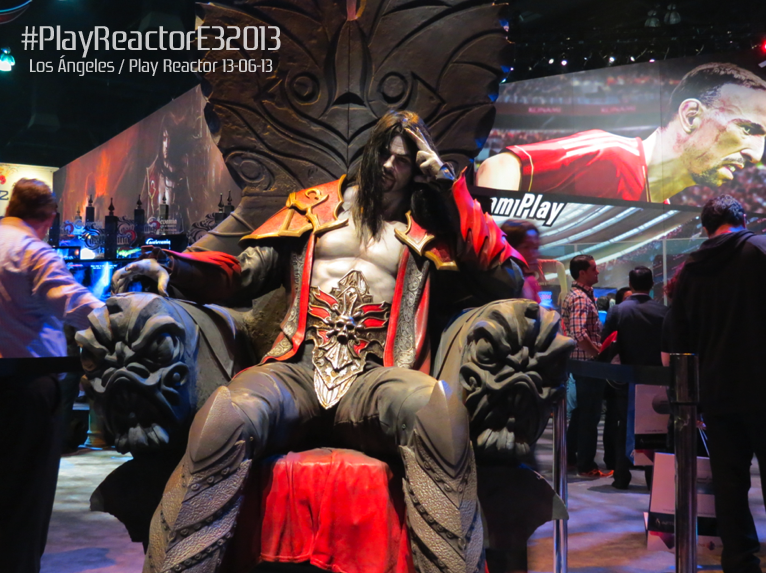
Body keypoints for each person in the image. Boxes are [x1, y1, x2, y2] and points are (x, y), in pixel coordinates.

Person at [113, 110, 525, 573]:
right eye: (383, 155)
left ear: (417, 169)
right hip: (297, 369)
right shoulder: (311, 208)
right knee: (224, 416)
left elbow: (506, 279)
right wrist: (173, 266)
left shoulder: (432, 226)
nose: (388, 167)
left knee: (439, 415)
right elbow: (242, 273)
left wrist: (449, 188)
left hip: (379, 377)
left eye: (403, 161)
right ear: (368, 152)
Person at [0, 179, 104, 573]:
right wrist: (128, 316)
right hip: (24, 385)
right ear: (49, 218)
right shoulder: (32, 250)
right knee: (24, 493)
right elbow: (74, 305)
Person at [476, 62, 766, 203]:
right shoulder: (609, 153)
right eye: (747, 129)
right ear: (691, 115)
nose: (756, 155)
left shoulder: (662, 202)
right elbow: (500, 166)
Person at [667, 194, 766, 573]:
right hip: (762, 390)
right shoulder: (759, 252)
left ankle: (739, 561)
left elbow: (680, 342)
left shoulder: (690, 271)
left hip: (716, 394)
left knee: (729, 484)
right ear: (743, 219)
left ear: (705, 228)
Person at [601, 266, 668, 489]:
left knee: (622, 425)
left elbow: (606, 343)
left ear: (630, 284)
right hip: (655, 378)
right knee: (654, 428)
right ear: (652, 284)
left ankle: (621, 476)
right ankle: (652, 479)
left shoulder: (617, 311)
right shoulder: (663, 311)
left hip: (624, 378)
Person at [561, 254, 611, 478]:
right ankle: (586, 466)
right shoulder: (581, 298)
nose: (597, 272)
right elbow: (579, 334)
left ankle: (571, 458)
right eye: (593, 268)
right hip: (588, 365)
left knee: (582, 413)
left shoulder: (577, 295)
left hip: (581, 364)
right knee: (589, 416)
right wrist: (597, 353)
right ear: (582, 273)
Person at [501, 219, 541, 302]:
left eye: (536, 248)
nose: (534, 254)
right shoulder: (498, 286)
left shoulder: (530, 281)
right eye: (526, 247)